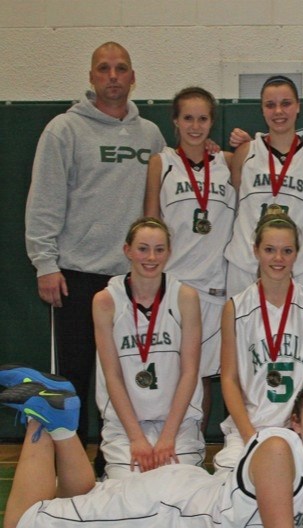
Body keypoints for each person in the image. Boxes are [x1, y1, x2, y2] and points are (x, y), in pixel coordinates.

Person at [0, 373, 303, 528]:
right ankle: (43, 414)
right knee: (19, 525)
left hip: (188, 491)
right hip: (161, 511)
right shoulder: (280, 449)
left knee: (79, 498)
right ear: (295, 422)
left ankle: (64, 423)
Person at [25, 42, 166, 453]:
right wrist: (45, 263)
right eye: (103, 69)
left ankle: (115, 460)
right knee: (72, 376)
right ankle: (70, 460)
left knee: (124, 373)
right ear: (91, 77)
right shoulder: (64, 130)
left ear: (133, 77)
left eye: (121, 68)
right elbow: (44, 200)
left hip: (131, 279)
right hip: (76, 275)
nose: (112, 76)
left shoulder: (150, 135)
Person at [144, 87, 235, 430]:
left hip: (215, 286)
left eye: (203, 118)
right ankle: (169, 443)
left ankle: (194, 445)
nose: (195, 126)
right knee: (174, 372)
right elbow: (150, 225)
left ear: (212, 122)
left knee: (205, 375)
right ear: (175, 122)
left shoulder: (228, 162)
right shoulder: (161, 163)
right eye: (188, 118)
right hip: (175, 287)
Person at [92, 217, 205, 479]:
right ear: (127, 250)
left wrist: (168, 437)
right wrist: (137, 439)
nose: (151, 257)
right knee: (130, 494)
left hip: (177, 425)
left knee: (177, 490)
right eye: (143, 248)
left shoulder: (185, 297)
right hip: (126, 427)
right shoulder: (106, 301)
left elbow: (189, 371)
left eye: (159, 249)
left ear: (169, 252)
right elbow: (112, 375)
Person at [215, 214, 303, 473]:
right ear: (255, 251)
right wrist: (250, 436)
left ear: (297, 253)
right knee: (227, 483)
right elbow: (228, 379)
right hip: (249, 427)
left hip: (299, 429)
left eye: (287, 250)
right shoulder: (236, 308)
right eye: (270, 250)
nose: (278, 259)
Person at [226, 76, 303, 295]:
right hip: (246, 263)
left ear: (298, 106)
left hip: (297, 267)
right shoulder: (245, 152)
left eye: (286, 103)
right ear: (262, 109)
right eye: (270, 105)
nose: (278, 111)